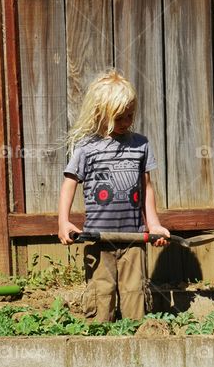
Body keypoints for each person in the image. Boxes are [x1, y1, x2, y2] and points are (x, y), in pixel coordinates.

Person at [58, 71, 169, 322]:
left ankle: (134, 344)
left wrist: (154, 225)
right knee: (101, 296)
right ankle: (99, 344)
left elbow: (147, 187)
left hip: (133, 238)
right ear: (100, 114)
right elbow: (69, 183)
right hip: (99, 239)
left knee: (135, 297)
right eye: (120, 117)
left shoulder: (140, 144)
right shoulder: (87, 148)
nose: (127, 121)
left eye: (130, 115)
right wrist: (63, 221)